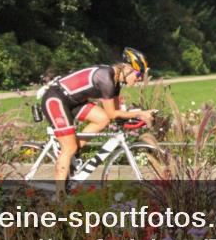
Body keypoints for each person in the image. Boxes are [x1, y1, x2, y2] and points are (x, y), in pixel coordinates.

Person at [38, 47, 155, 186]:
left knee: (102, 119)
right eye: (139, 73)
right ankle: (60, 195)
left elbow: (115, 113)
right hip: (55, 99)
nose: (140, 78)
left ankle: (72, 155)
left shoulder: (116, 82)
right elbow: (113, 113)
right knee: (69, 148)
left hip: (73, 101)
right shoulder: (106, 79)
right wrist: (140, 113)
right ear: (128, 69)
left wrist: (136, 116)